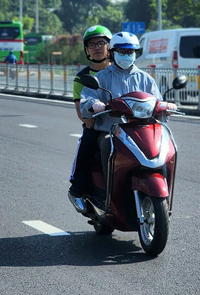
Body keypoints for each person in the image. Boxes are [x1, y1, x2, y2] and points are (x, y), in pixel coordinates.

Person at [79, 32, 178, 179]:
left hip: (141, 131)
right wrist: (95, 104)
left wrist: (166, 106)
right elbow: (86, 101)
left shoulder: (145, 79)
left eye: (130, 52)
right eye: (122, 52)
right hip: (112, 132)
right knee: (107, 146)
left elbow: (157, 101)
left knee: (164, 148)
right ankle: (109, 195)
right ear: (112, 53)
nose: (126, 55)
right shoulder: (101, 77)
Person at [68, 25, 112, 212]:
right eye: (92, 44)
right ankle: (77, 190)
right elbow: (82, 113)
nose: (97, 47)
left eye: (101, 42)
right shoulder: (82, 77)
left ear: (110, 46)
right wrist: (90, 116)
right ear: (87, 50)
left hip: (125, 124)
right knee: (87, 143)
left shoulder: (121, 71)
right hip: (98, 125)